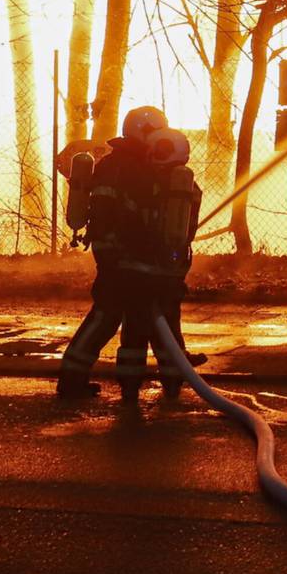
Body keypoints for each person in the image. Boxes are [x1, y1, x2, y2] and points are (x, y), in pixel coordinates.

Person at [55, 105, 200, 399]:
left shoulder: (120, 163)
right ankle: (170, 380)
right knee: (157, 316)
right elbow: (130, 214)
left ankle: (79, 380)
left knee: (114, 316)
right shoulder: (135, 167)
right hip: (131, 257)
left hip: (117, 256)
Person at [112, 127, 202, 397]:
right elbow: (188, 230)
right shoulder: (188, 186)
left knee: (134, 332)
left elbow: (127, 221)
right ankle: (173, 383)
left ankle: (129, 388)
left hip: (135, 270)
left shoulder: (140, 179)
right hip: (169, 272)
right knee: (169, 329)